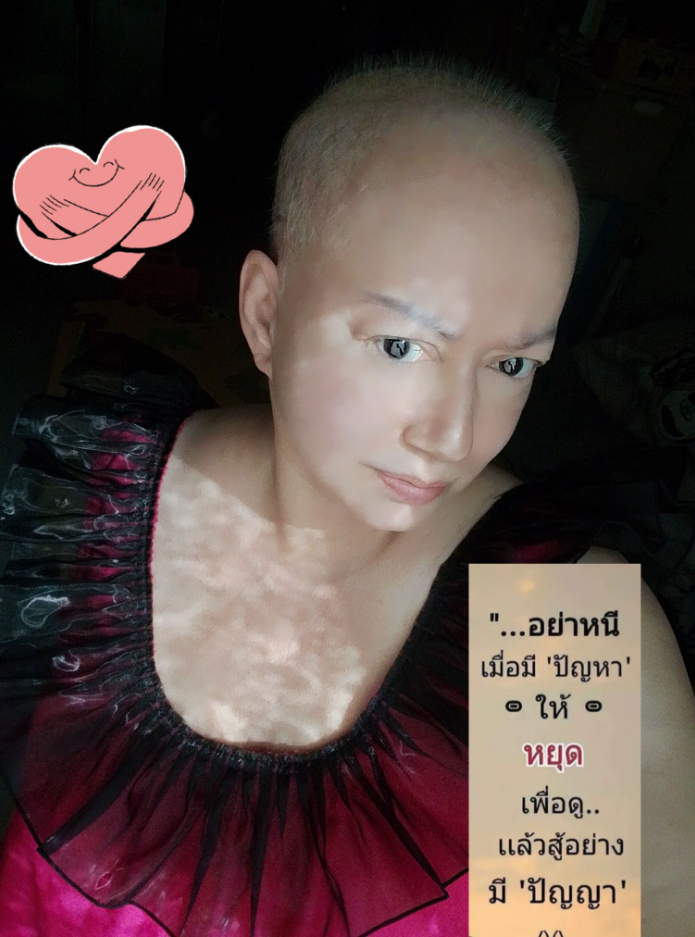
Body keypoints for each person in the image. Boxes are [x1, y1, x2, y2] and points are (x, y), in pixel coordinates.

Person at [1, 57, 694, 937]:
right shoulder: (72, 512)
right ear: (264, 314)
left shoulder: (555, 630)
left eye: (511, 363)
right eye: (400, 345)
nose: (453, 436)